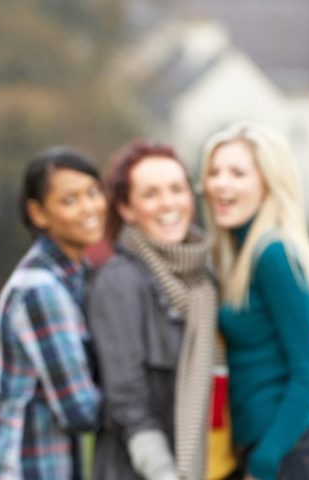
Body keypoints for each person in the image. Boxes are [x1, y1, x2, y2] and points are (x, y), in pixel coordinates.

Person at [200, 122, 309, 480]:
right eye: (214, 172)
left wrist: (264, 462)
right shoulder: (238, 254)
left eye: (237, 173)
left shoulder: (272, 253)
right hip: (261, 449)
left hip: (289, 453)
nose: (220, 183)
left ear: (269, 182)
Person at [0, 147, 104, 479]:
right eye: (70, 200)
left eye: (93, 193)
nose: (89, 207)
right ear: (39, 213)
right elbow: (79, 410)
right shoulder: (41, 289)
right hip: (19, 469)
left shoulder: (77, 275)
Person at [89, 141, 219, 480]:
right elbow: (127, 399)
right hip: (141, 471)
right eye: (151, 194)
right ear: (127, 209)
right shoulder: (121, 280)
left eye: (177, 189)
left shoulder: (205, 280)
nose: (168, 203)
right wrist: (164, 472)